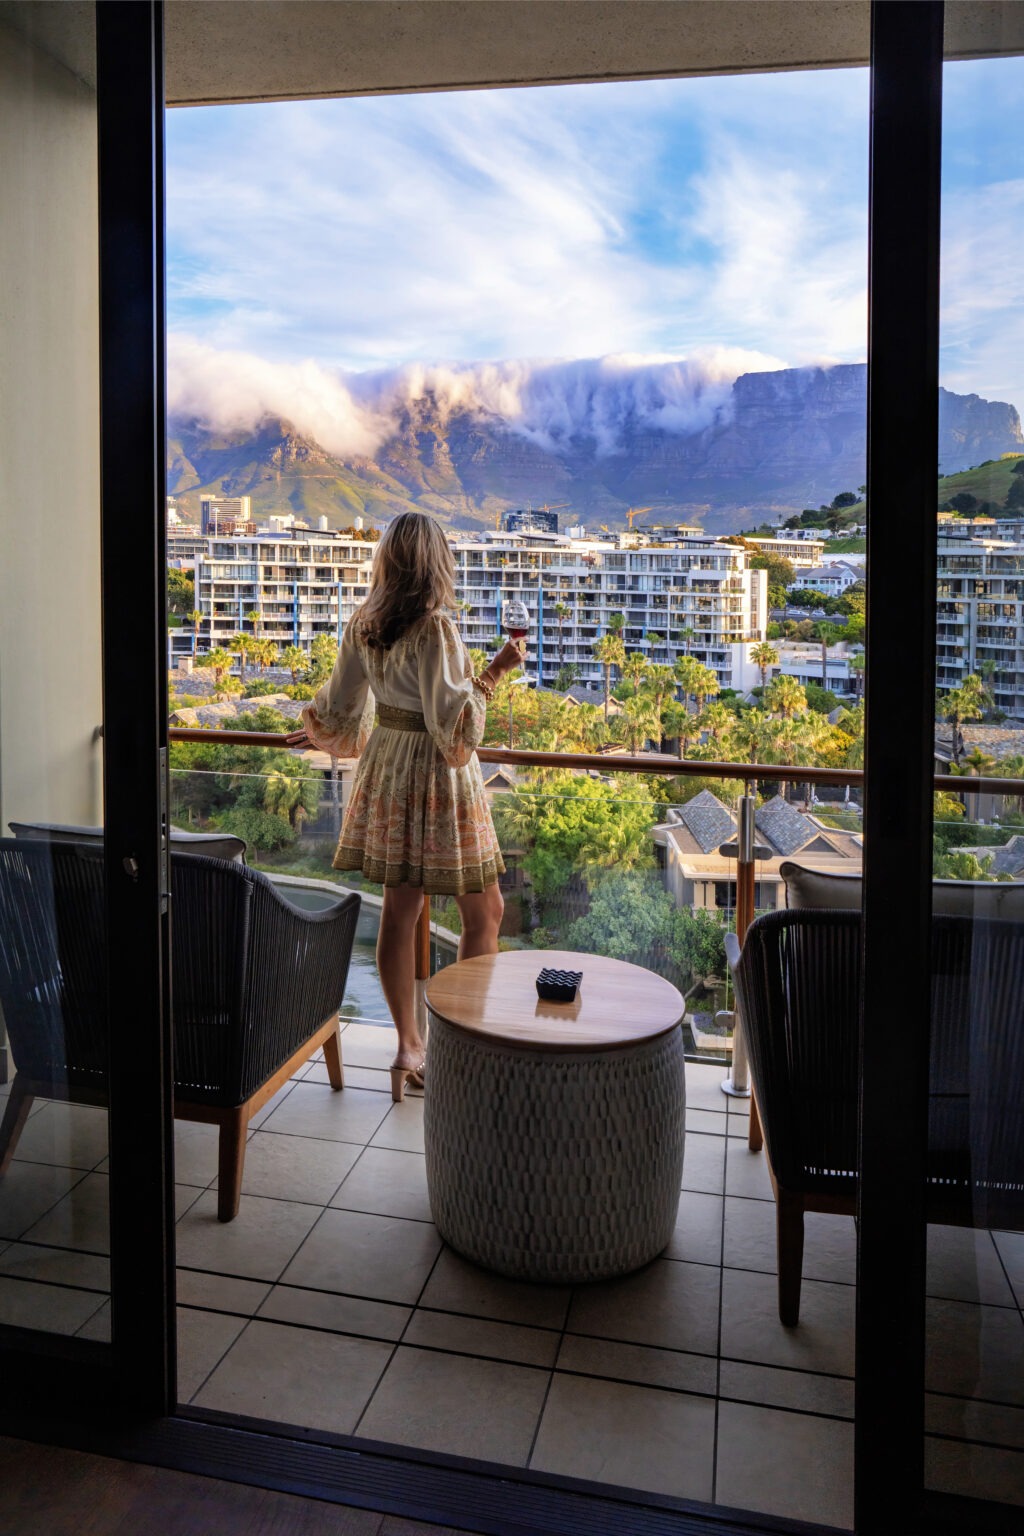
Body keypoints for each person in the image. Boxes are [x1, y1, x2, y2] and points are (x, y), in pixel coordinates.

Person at [297, 512, 524, 1101]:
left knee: (400, 914)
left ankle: (409, 1045)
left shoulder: (364, 625)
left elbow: (338, 705)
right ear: (436, 563)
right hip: (438, 775)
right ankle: (463, 1044)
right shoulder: (435, 629)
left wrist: (315, 728)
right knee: (485, 911)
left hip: (388, 768)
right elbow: (455, 726)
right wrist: (497, 671)